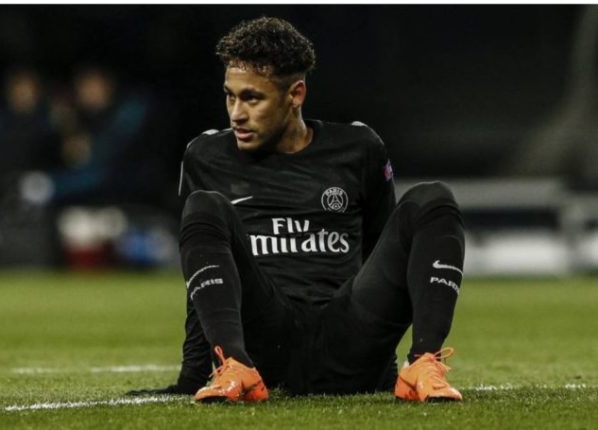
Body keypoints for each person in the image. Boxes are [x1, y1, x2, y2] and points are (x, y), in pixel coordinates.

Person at [131, 17, 466, 403]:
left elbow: (381, 257)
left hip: (348, 338)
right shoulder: (206, 156)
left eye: (252, 98)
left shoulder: (359, 149)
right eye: (230, 96)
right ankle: (233, 368)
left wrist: (381, 366)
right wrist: (192, 377)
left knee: (433, 199)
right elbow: (202, 277)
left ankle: (424, 363)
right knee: (203, 205)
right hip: (265, 345)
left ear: (295, 94)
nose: (236, 113)